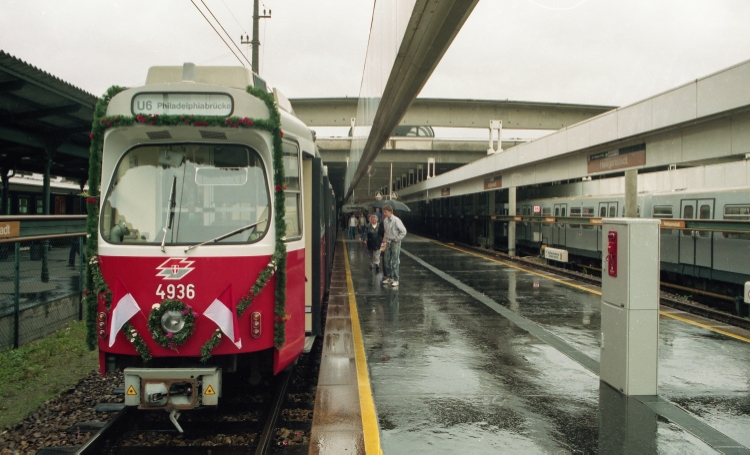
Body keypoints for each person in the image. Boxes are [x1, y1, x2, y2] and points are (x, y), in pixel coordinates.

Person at [381, 205, 407, 287]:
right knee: (386, 260)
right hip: (388, 241)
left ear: (390, 212)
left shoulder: (396, 220)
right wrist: (384, 241)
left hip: (395, 242)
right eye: (383, 212)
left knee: (395, 261)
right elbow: (385, 232)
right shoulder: (385, 220)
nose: (384, 213)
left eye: (385, 212)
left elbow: (403, 231)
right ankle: (390, 277)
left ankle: (396, 279)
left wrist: (396, 239)